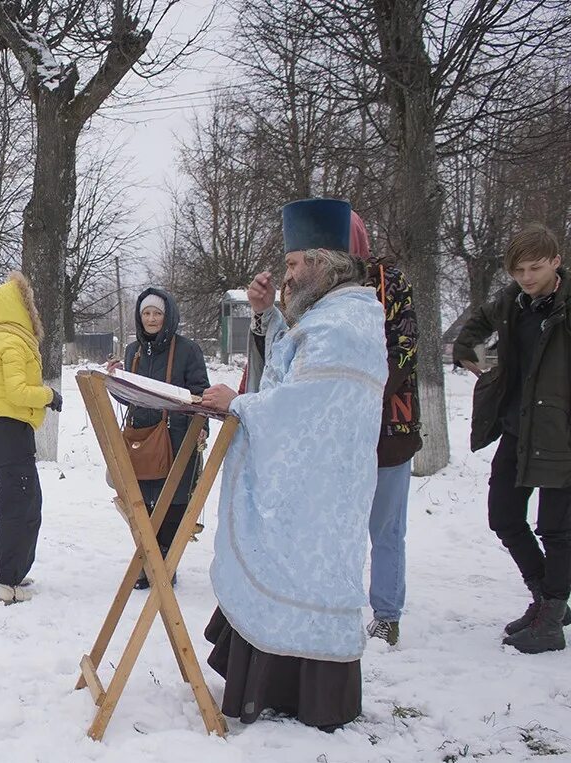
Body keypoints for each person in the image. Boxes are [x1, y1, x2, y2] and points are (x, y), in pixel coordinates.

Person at [200, 198, 386, 731]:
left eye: (291, 265)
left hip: (320, 490)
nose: (285, 276)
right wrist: (265, 318)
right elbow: (289, 365)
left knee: (305, 573)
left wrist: (236, 403)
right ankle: (275, 688)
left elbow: (300, 406)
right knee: (290, 568)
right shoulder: (331, 313)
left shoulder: (346, 323)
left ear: (322, 264)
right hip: (309, 483)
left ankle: (302, 695)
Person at [454, 224, 570, 654]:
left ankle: (552, 617)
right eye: (518, 269)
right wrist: (479, 357)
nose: (526, 277)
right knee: (503, 516)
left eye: (535, 268)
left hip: (561, 433)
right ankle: (546, 600)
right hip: (517, 429)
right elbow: (474, 330)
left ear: (556, 261)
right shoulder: (512, 301)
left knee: (556, 530)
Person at [350, 213, 421, 647]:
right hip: (339, 429)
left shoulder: (388, 281)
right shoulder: (315, 287)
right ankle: (335, 603)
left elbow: (406, 346)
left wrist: (365, 394)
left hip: (390, 425)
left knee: (387, 527)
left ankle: (387, 615)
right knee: (337, 523)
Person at [108, 287, 210, 589]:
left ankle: (164, 563)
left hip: (176, 438)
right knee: (143, 502)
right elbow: (132, 399)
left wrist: (202, 426)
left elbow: (201, 394)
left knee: (174, 501)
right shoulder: (133, 350)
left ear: (168, 317)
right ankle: (149, 560)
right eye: (146, 314)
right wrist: (116, 382)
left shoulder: (188, 350)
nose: (152, 319)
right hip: (141, 437)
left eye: (157, 314)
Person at [0, 270, 61, 604]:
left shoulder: (4, 338)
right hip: (11, 430)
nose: (33, 310)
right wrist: (49, 395)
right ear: (17, 308)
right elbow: (18, 391)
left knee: (15, 500)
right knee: (24, 506)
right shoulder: (12, 343)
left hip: (8, 431)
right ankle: (9, 582)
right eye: (29, 304)